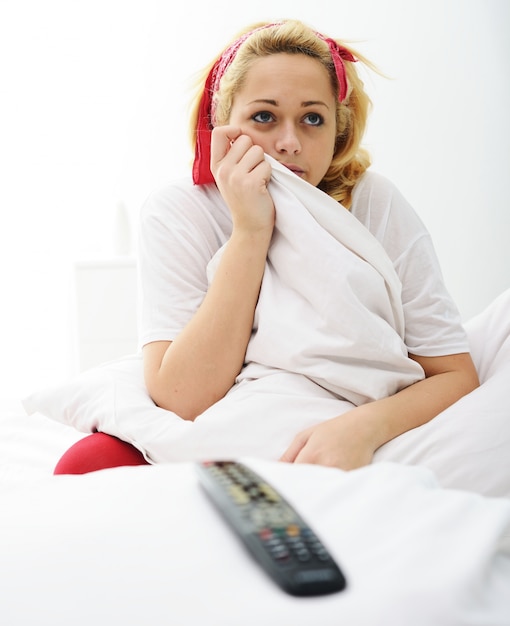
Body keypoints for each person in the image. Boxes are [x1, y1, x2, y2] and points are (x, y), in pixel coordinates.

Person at [55, 19, 479, 474]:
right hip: (225, 409)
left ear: (337, 129)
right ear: (224, 124)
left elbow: (454, 374)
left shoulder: (374, 201)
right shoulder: (179, 210)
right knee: (84, 465)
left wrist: (362, 428)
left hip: (342, 413)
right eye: (264, 117)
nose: (289, 143)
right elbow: (181, 399)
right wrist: (251, 230)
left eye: (312, 119)